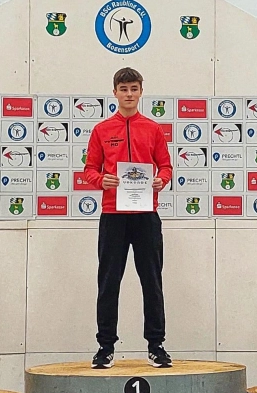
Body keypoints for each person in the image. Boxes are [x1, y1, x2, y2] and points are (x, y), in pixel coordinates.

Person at [83, 67, 173, 369]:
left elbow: (166, 166)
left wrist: (161, 180)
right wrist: (102, 180)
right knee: (109, 282)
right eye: (124, 89)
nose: (129, 94)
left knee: (152, 281)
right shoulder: (102, 130)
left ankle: (156, 345)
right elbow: (89, 170)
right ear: (115, 93)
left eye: (134, 89)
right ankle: (105, 346)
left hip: (146, 215)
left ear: (141, 92)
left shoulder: (153, 129)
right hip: (113, 215)